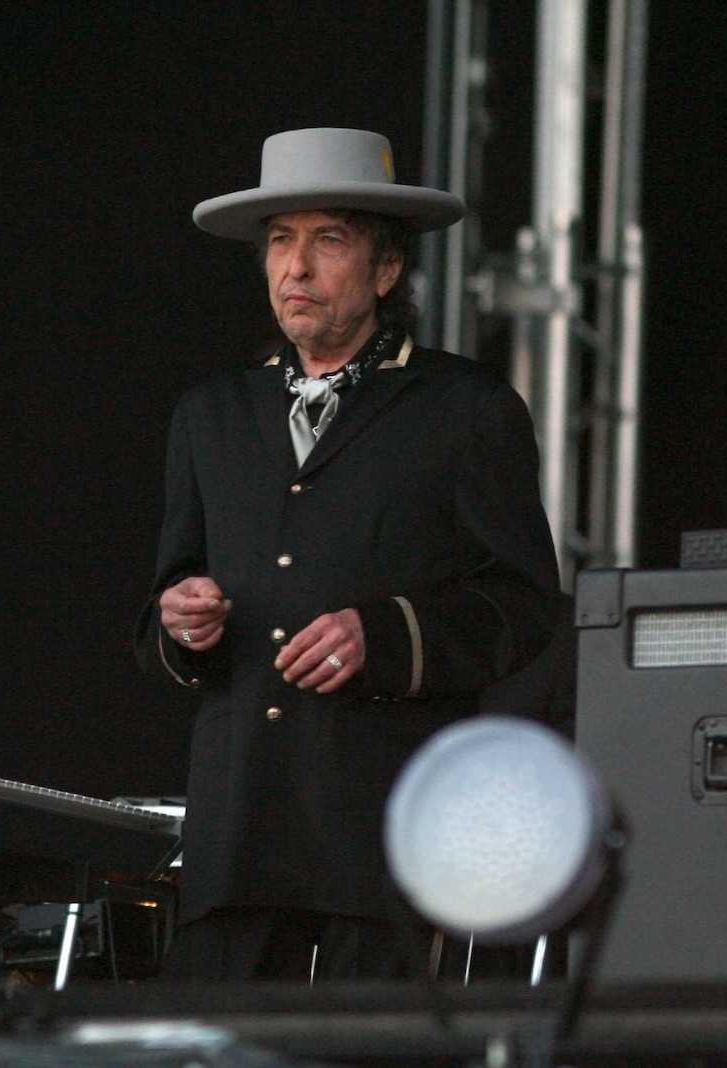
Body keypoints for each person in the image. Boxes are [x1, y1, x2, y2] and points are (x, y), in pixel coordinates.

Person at [136, 127, 567, 981]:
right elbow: (163, 609)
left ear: (387, 268)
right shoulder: (210, 414)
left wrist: (385, 634)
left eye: (328, 240)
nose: (295, 267)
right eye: (279, 241)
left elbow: (522, 605)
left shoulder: (466, 408)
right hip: (237, 837)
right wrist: (182, 622)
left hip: (385, 836)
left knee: (368, 1041)